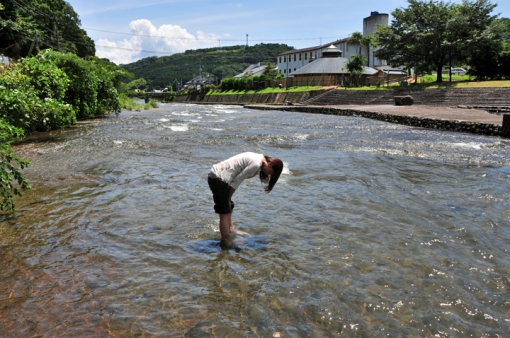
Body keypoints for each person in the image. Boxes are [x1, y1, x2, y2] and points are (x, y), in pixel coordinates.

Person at [208, 152, 284, 248]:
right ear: (271, 164)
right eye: (269, 172)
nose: (266, 174)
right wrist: (228, 197)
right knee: (224, 210)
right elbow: (237, 181)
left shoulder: (259, 159)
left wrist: (228, 199)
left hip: (219, 177)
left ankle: (231, 230)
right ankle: (226, 240)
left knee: (229, 206)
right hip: (218, 178)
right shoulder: (256, 163)